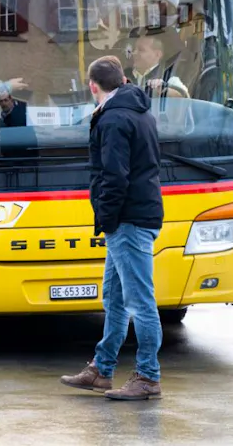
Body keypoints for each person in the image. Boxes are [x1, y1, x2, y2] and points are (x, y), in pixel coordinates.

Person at [60, 56, 165, 401]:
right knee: (115, 299)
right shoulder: (139, 111)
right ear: (122, 79)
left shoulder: (114, 119)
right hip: (135, 216)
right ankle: (101, 370)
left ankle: (148, 377)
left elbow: (114, 177)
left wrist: (105, 218)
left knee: (140, 302)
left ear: (93, 86)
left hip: (127, 220)